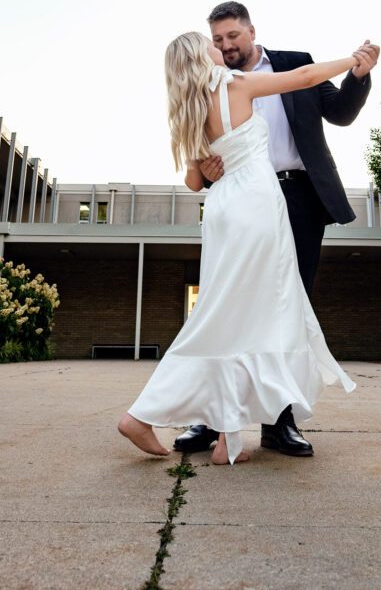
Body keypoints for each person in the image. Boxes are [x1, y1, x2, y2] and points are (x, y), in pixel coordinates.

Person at [118, 32, 363, 465]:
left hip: (223, 209)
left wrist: (210, 166)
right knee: (244, 312)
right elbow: (305, 76)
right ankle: (142, 414)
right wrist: (352, 59)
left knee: (233, 312)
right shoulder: (234, 84)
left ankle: (228, 436)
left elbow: (195, 182)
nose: (221, 50)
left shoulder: (189, 108)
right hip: (254, 204)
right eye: (211, 44)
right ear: (202, 56)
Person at [173, 2, 379, 458]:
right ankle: (210, 418)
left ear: (251, 31)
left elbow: (341, 113)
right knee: (227, 304)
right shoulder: (205, 85)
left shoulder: (293, 63)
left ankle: (278, 422)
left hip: (298, 197)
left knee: (289, 307)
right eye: (218, 39)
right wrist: (205, 172)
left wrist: (358, 74)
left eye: (232, 36)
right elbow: (199, 162)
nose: (226, 46)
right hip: (242, 201)